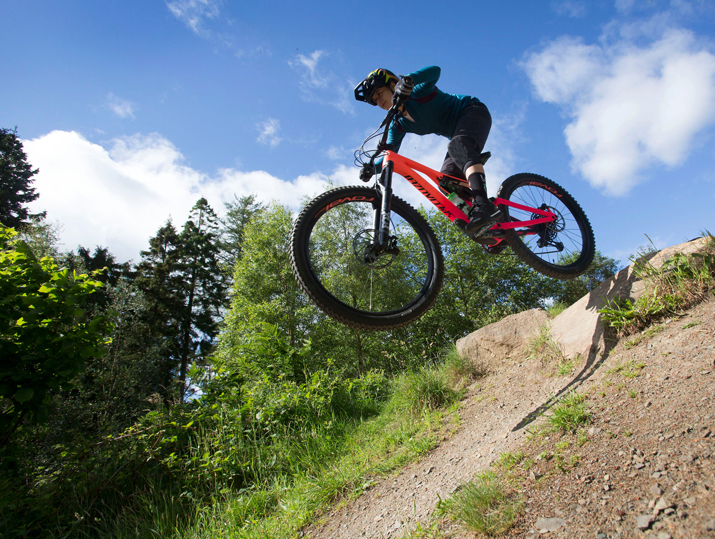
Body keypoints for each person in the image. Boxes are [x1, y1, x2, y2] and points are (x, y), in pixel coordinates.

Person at [354, 66, 500, 235]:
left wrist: (409, 80)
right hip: (457, 138)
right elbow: (390, 155)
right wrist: (372, 168)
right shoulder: (397, 123)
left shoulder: (417, 92)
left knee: (459, 146)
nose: (378, 101)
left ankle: (484, 206)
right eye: (375, 100)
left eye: (379, 93)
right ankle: (490, 227)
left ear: (394, 85)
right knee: (445, 182)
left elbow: (435, 71)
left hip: (472, 111)